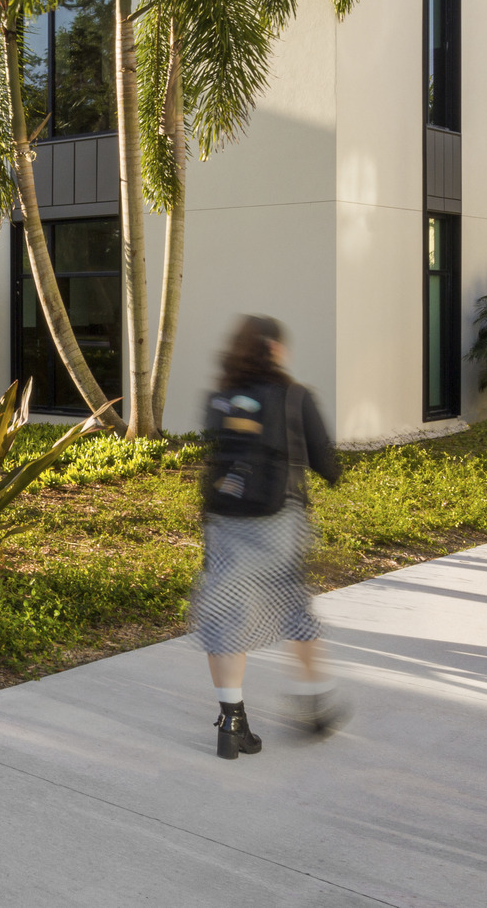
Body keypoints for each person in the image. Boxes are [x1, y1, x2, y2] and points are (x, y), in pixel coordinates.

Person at [190, 314, 346, 760]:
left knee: (225, 615)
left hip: (223, 520)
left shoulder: (219, 397)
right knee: (295, 609)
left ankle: (231, 719)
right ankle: (314, 704)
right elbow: (328, 466)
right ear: (275, 350)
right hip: (278, 522)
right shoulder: (295, 397)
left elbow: (215, 454)